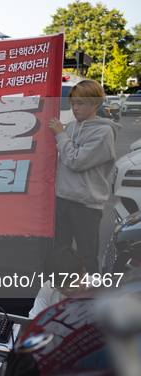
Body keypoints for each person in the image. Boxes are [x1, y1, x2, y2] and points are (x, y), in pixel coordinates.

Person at [49, 80, 121, 275]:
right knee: (61, 255)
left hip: (87, 205)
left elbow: (75, 161)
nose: (75, 108)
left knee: (86, 259)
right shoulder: (71, 127)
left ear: (96, 103)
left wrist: (60, 135)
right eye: (72, 103)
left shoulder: (104, 132)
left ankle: (87, 302)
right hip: (62, 198)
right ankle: (61, 299)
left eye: (80, 103)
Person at [28, 247, 88, 321]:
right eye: (59, 288)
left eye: (71, 286)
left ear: (83, 273)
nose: (65, 291)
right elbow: (33, 322)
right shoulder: (48, 288)